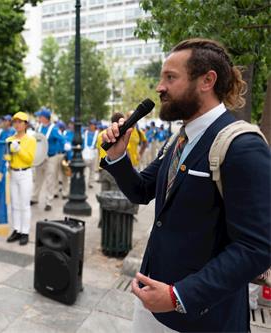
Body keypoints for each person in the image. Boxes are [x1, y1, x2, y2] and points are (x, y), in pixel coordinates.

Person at [100, 38, 270, 332]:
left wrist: (179, 296)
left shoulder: (242, 146)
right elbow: (141, 190)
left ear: (207, 80)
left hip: (203, 317)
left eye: (170, 77)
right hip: (153, 302)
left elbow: (256, 248)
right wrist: (117, 157)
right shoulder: (179, 140)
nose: (159, 87)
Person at [5, 112, 36, 246]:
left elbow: (29, 158)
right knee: (15, 204)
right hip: (13, 173)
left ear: (25, 124)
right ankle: (16, 229)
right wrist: (7, 159)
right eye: (15, 122)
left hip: (25, 173)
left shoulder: (31, 139)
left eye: (20, 122)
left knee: (24, 204)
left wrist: (18, 150)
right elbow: (7, 156)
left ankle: (25, 232)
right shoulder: (9, 139)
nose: (17, 124)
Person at [31, 107, 65, 211]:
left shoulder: (54, 129)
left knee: (50, 180)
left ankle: (49, 201)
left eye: (40, 116)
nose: (38, 118)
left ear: (44, 118)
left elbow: (62, 140)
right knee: (38, 178)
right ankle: (34, 197)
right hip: (40, 157)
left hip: (51, 157)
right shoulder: (38, 127)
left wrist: (62, 151)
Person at [82, 119, 99, 188]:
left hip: (94, 151)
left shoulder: (98, 133)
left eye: (92, 124)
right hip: (85, 151)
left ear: (95, 126)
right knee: (83, 168)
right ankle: (82, 181)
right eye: (90, 124)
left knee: (93, 168)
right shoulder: (85, 132)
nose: (91, 126)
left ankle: (91, 183)